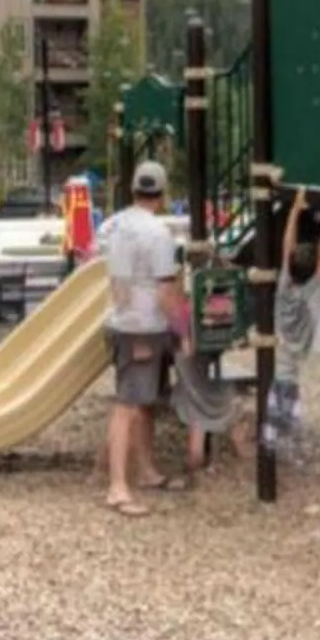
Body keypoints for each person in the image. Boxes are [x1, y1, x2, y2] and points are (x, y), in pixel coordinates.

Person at [97, 159, 186, 516]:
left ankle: (146, 471)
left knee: (144, 403)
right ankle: (118, 488)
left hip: (120, 319)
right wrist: (184, 330)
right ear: (162, 195)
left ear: (134, 190)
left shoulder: (114, 225)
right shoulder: (159, 234)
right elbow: (167, 294)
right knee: (128, 405)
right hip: (144, 327)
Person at [262, 187, 320, 463]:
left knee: (283, 392)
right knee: (288, 397)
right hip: (296, 355)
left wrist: (295, 208)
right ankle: (283, 440)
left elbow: (286, 247)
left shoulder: (284, 287)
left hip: (284, 351)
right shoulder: (312, 292)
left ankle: (278, 439)